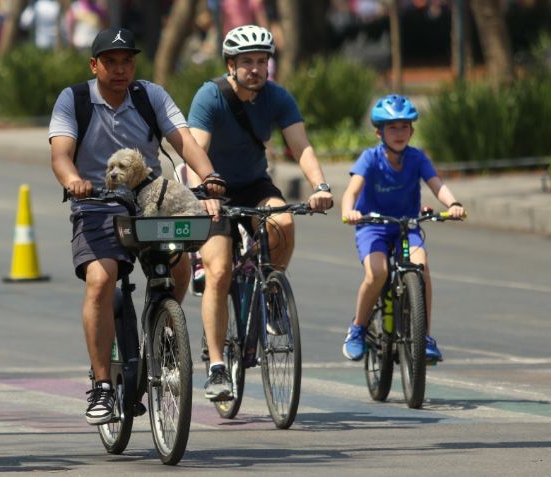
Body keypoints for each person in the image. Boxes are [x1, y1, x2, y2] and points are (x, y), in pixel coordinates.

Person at [49, 27, 225, 425]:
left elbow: (184, 141)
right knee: (101, 279)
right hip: (95, 205)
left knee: (179, 261)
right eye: (110, 62)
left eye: (126, 61)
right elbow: (60, 155)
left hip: (151, 203)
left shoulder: (150, 96)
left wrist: (209, 176)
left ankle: (165, 324)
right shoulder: (73, 99)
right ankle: (101, 386)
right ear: (94, 65)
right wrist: (73, 180)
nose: (119, 69)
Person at [186, 24, 333, 401]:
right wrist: (204, 191)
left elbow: (301, 147)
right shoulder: (210, 97)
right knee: (219, 273)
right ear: (230, 65)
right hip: (213, 187)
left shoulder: (278, 98)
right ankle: (218, 368)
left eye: (262, 61)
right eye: (246, 62)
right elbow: (195, 150)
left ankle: (269, 291)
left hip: (253, 183)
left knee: (283, 222)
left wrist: (320, 187)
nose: (255, 68)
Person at [341, 94, 465, 362]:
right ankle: (358, 328)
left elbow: (437, 184)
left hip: (407, 227)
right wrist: (348, 212)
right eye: (392, 127)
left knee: (421, 267)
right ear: (379, 132)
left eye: (404, 126)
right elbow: (351, 191)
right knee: (377, 273)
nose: (399, 133)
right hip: (373, 227)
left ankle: (425, 337)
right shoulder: (370, 158)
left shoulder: (418, 158)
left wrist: (453, 203)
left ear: (412, 130)